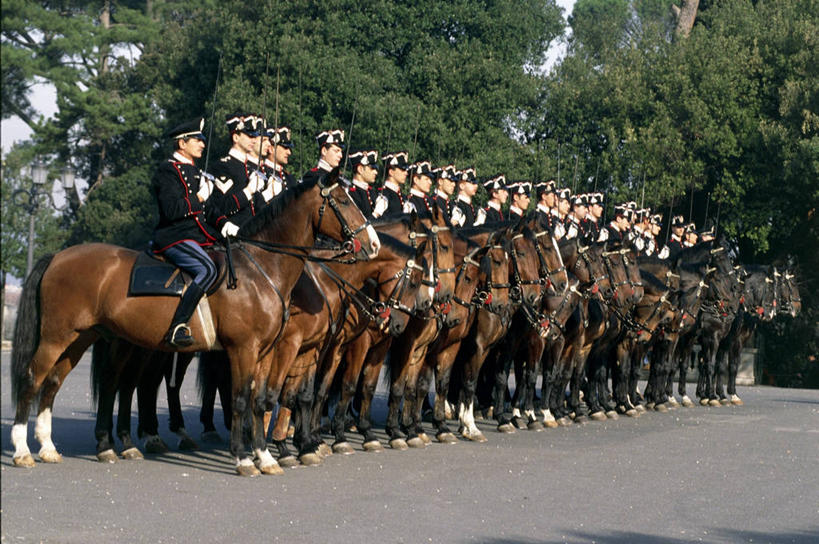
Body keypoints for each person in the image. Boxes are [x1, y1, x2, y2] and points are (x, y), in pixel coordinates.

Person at [150, 117, 219, 347]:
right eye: (197, 140)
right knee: (208, 269)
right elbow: (172, 210)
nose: (202, 144)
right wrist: (199, 198)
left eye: (202, 140)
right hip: (174, 236)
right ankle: (177, 326)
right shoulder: (167, 171)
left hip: (198, 234)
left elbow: (207, 212)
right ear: (182, 143)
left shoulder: (196, 172)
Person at [209, 113, 266, 237]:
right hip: (231, 236)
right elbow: (220, 206)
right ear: (236, 137)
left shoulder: (251, 168)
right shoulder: (223, 166)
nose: (254, 140)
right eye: (249, 135)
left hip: (253, 235)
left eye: (255, 136)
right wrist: (248, 191)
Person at [262, 125, 296, 199]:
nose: (289, 152)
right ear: (271, 149)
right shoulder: (262, 173)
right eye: (285, 147)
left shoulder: (290, 178)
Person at [374, 151, 409, 218]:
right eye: (403, 170)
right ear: (391, 172)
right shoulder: (383, 194)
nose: (406, 173)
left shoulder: (403, 197)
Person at [347, 149, 380, 218]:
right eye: (372, 168)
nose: (376, 172)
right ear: (360, 169)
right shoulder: (351, 193)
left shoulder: (372, 192)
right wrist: (376, 214)